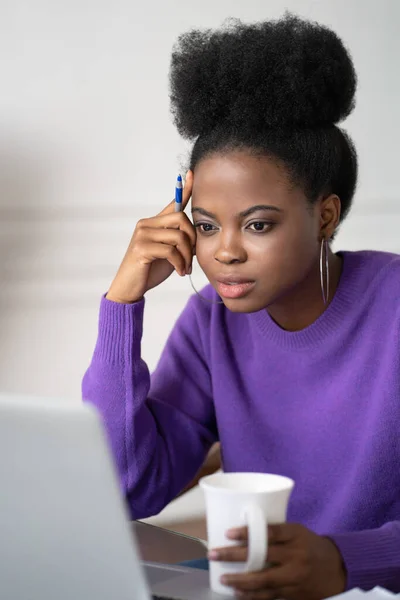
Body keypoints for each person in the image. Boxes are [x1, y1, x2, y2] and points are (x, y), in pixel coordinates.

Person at [82, 14, 400, 599]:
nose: (224, 252)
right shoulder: (210, 323)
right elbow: (127, 489)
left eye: (257, 224)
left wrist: (349, 560)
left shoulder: (394, 305)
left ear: (325, 215)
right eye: (205, 225)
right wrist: (121, 303)